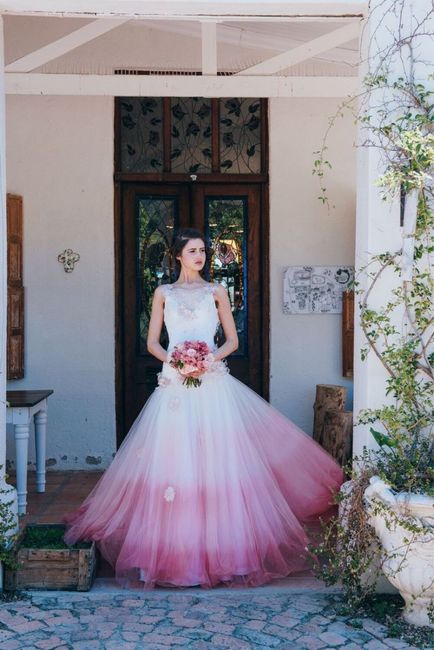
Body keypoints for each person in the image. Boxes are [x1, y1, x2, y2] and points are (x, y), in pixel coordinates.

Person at [64, 228, 343, 589]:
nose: (200, 256)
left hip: (212, 385)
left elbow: (233, 340)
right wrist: (177, 362)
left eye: (203, 251)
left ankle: (227, 555)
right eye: (193, 250)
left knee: (218, 465)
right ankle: (174, 555)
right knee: (175, 468)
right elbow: (151, 342)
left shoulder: (217, 291)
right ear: (178, 255)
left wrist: (206, 359)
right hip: (175, 389)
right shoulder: (163, 293)